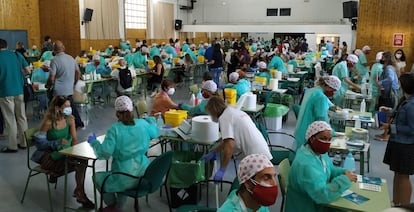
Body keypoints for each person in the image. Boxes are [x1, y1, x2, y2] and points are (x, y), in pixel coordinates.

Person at [88, 96, 159, 211]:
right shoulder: (142, 124)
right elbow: (155, 133)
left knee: (98, 178)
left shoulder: (114, 130)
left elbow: (104, 154)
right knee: (121, 179)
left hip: (124, 177)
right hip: (143, 173)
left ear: (117, 113)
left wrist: (94, 143)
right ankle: (118, 206)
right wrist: (151, 120)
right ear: (131, 110)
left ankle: (112, 205)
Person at [31, 96, 94, 208]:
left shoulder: (70, 119)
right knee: (76, 164)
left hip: (65, 152)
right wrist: (56, 143)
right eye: (66, 107)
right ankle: (80, 193)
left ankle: (79, 191)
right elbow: (40, 144)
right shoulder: (49, 122)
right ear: (57, 108)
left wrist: (75, 152)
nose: (69, 109)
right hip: (49, 155)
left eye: (70, 106)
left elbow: (74, 139)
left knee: (82, 160)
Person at [285, 121, 357, 212]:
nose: (327, 142)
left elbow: (328, 170)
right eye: (323, 138)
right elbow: (322, 195)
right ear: (312, 139)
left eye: (329, 139)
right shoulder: (305, 164)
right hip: (307, 207)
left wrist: (343, 172)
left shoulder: (318, 153)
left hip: (316, 202)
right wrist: (344, 180)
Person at [203, 96, 272, 181]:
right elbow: (228, 140)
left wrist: (222, 169)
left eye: (210, 113)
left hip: (255, 156)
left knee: (254, 184)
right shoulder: (234, 112)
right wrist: (214, 151)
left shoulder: (224, 117)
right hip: (262, 149)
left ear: (213, 110)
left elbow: (229, 146)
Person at [382, 73, 414, 206]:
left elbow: (412, 129)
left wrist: (392, 127)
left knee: (403, 176)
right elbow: (400, 115)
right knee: (397, 174)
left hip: (405, 145)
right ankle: (396, 202)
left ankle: (405, 206)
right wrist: (389, 111)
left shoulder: (412, 105)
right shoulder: (404, 100)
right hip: (397, 142)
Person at [0, 38, 30, 152]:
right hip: (19, 90)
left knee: (10, 119)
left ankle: (12, 146)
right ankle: (24, 142)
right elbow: (28, 70)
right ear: (6, 46)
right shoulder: (17, 55)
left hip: (5, 92)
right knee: (21, 117)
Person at [46, 40, 84, 128]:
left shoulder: (54, 60)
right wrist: (74, 83)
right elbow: (78, 73)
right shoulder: (71, 58)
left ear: (53, 50)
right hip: (69, 89)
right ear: (63, 48)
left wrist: (48, 85)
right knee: (71, 107)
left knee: (54, 109)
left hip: (58, 91)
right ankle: (77, 123)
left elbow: (52, 77)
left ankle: (56, 126)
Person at [294, 76, 341, 147]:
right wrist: (332, 132)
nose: (333, 93)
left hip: (302, 129)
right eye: (333, 90)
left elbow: (326, 102)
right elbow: (322, 120)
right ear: (328, 86)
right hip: (311, 131)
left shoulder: (313, 91)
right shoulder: (321, 97)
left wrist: (333, 106)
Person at [375, 51, 401, 141]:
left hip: (390, 93)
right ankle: (385, 133)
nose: (381, 59)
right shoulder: (391, 67)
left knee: (388, 114)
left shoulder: (389, 68)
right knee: (387, 113)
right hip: (390, 91)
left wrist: (380, 82)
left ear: (386, 58)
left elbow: (390, 79)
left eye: (383, 58)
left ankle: (386, 135)